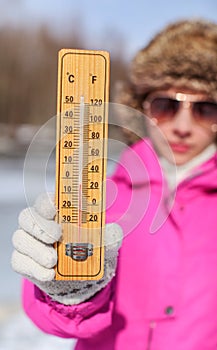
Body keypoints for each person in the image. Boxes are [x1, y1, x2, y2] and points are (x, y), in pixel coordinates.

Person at [11, 19, 217, 349]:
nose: (182, 126)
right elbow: (64, 319)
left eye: (206, 109)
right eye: (166, 105)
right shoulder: (100, 196)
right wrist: (70, 291)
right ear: (142, 109)